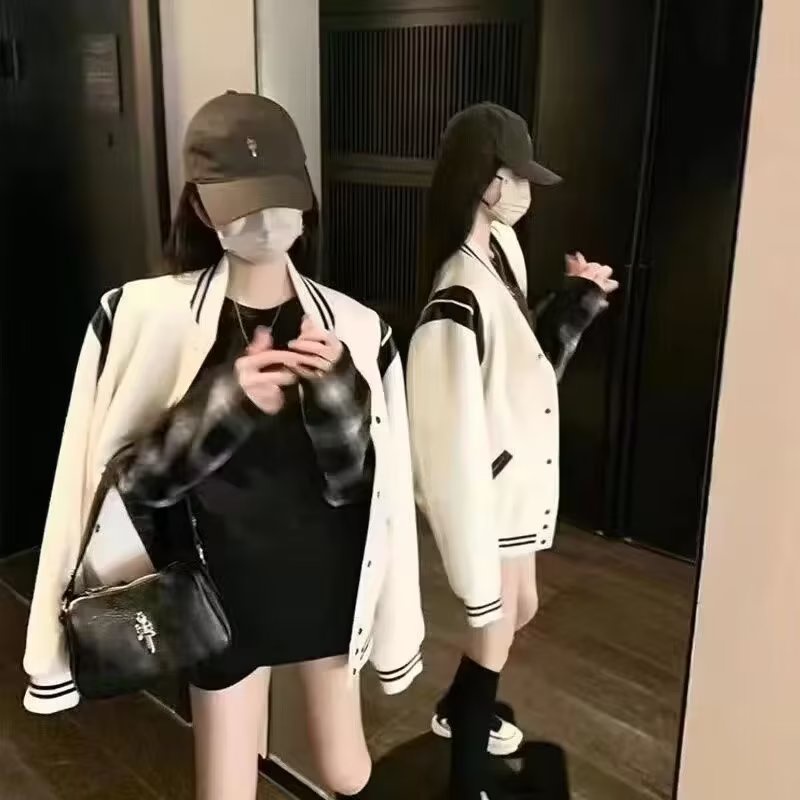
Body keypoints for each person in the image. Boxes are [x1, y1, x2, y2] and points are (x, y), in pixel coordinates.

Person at [22, 92, 423, 800]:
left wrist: (337, 395)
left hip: (328, 579)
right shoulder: (141, 317)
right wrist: (221, 409)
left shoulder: (360, 329)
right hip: (218, 587)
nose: (265, 222)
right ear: (202, 209)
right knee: (227, 786)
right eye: (241, 203)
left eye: (281, 199)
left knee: (345, 768)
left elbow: (364, 488)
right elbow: (122, 489)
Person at [406, 102, 618, 800]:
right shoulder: (457, 291)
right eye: (515, 176)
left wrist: (578, 299)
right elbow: (442, 436)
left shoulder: (501, 250)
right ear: (483, 180)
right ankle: (467, 776)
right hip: (489, 488)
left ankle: (458, 706)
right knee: (495, 623)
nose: (524, 191)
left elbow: (524, 364)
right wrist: (464, 529)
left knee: (519, 606)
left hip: (518, 477)